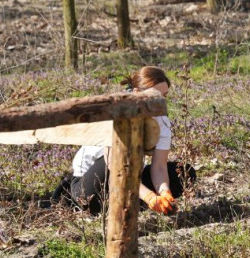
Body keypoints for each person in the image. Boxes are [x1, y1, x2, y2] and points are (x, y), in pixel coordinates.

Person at [56, 66, 195, 215]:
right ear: (137, 93)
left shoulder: (162, 121)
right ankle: (78, 203)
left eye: (164, 97)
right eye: (154, 97)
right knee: (112, 173)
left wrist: (164, 192)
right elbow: (116, 168)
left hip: (132, 176)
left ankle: (128, 206)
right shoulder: (117, 111)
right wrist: (147, 196)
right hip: (95, 180)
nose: (159, 104)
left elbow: (159, 167)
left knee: (185, 173)